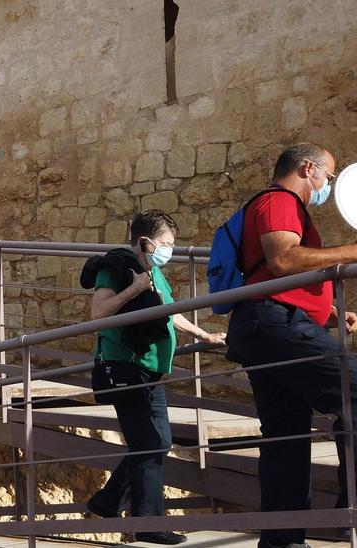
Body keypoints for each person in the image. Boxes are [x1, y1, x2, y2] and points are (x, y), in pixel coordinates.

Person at [224, 144, 357, 548]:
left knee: (286, 434)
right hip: (275, 323)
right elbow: (282, 261)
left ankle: (282, 539)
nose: (327, 185)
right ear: (308, 169)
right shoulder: (279, 201)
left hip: (264, 325)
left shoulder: (278, 205)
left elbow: (281, 272)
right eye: (327, 177)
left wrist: (326, 310)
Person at [82, 210, 225, 545]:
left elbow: (168, 313)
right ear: (145, 242)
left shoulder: (154, 271)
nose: (170, 251)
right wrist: (134, 288)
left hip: (150, 371)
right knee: (150, 442)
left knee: (157, 442)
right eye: (165, 244)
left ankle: (109, 501)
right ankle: (148, 524)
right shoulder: (117, 267)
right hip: (124, 368)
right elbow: (99, 313)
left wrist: (203, 335)